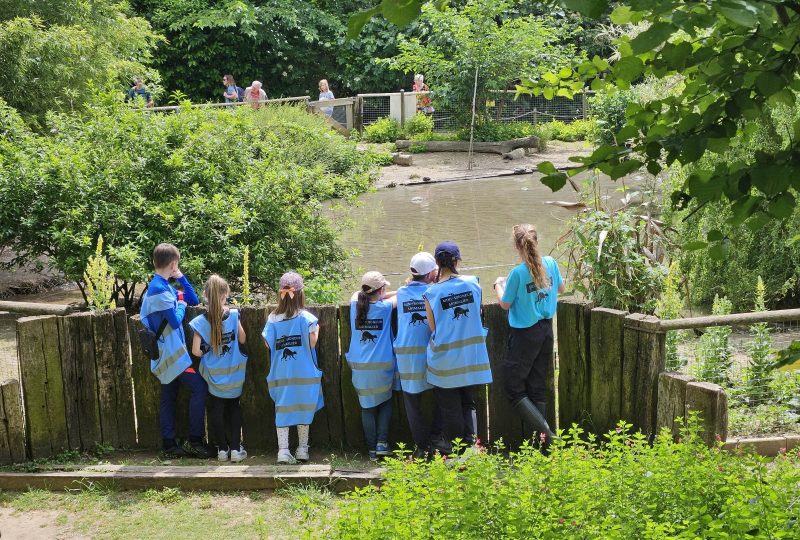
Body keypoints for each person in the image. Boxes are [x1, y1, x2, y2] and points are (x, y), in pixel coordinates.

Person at [493, 224, 564, 450]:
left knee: (514, 389)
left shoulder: (517, 273)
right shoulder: (551, 263)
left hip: (525, 334)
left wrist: (498, 284)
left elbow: (504, 303)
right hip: (546, 331)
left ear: (517, 246)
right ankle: (543, 448)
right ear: (537, 241)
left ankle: (549, 438)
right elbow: (560, 289)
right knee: (537, 385)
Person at [139, 243, 209, 458]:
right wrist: (180, 304)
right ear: (173, 263)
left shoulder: (162, 285)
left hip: (167, 355)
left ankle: (169, 445)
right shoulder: (158, 290)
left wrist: (181, 277)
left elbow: (194, 299)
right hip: (173, 358)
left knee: (168, 397)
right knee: (200, 389)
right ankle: (195, 441)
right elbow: (176, 321)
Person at [423, 241, 492, 456]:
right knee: (468, 403)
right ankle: (470, 448)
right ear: (456, 261)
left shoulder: (431, 293)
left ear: (436, 263)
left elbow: (432, 327)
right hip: (470, 358)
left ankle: (458, 453)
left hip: (444, 359)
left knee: (449, 406)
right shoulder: (474, 284)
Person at [262, 272, 324, 464]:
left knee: (283, 409)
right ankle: (303, 449)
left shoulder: (273, 318)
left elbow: (267, 344)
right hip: (304, 372)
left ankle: (283, 450)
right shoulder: (306, 317)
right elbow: (311, 343)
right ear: (301, 294)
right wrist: (318, 329)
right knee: (303, 408)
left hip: (282, 373)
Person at [189, 275, 248, 462]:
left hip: (214, 377)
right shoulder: (234, 315)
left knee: (216, 410)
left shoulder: (200, 321)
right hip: (234, 374)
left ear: (206, 295)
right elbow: (242, 339)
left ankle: (222, 450)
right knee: (234, 409)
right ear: (225, 295)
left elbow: (196, 352)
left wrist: (209, 347)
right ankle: (236, 450)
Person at [394, 252, 442, 459]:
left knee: (412, 403)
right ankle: (437, 438)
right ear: (432, 273)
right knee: (443, 396)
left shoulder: (401, 293)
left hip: (406, 356)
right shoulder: (435, 291)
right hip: (431, 353)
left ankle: (422, 447)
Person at [347, 271, 397, 461]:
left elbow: (357, 294)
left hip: (359, 367)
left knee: (366, 408)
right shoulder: (385, 307)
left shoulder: (354, 304)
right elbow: (402, 294)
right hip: (382, 367)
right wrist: (388, 293)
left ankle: (371, 450)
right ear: (381, 290)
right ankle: (382, 443)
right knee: (385, 402)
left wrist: (379, 293)